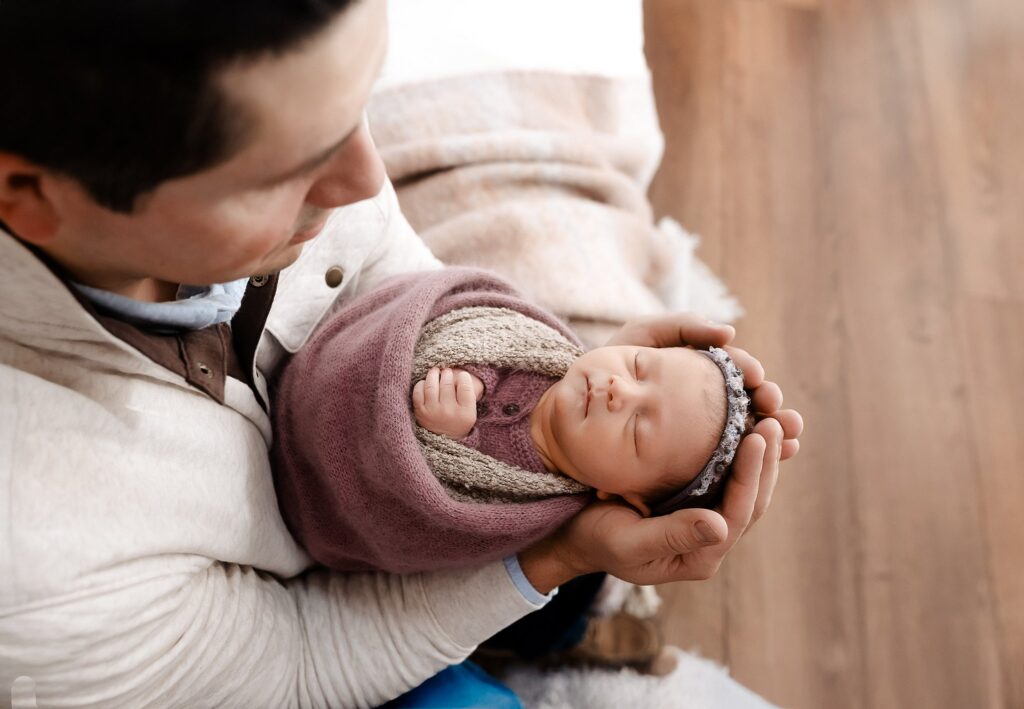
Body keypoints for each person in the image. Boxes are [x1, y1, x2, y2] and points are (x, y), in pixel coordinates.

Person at [0, 1, 803, 707]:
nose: (368, 178)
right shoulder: (37, 563)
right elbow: (300, 660)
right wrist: (544, 553)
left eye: (361, 107)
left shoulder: (306, 167)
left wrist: (568, 542)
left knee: (561, 578)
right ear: (28, 196)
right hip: (292, 609)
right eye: (288, 170)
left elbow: (400, 285)